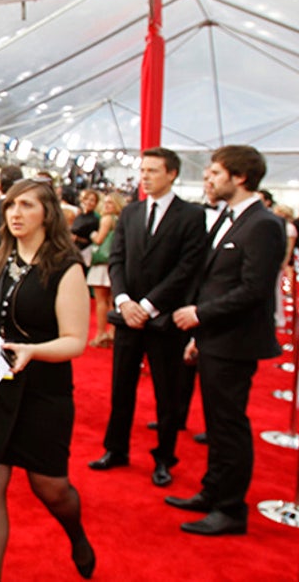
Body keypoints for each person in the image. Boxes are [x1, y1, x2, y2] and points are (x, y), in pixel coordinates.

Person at [0, 178, 94, 581]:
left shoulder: (66, 267)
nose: (15, 213)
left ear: (47, 214)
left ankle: (76, 535)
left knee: (50, 488)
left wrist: (33, 350)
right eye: (10, 205)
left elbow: (76, 341)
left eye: (26, 205)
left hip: (45, 390)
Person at [169, 145, 286, 535]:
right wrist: (201, 334)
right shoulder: (232, 218)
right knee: (217, 424)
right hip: (217, 338)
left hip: (236, 341)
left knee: (228, 425)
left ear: (240, 177)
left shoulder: (263, 224)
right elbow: (215, 278)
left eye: (216, 172)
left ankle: (231, 508)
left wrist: (200, 314)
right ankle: (212, 491)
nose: (209, 178)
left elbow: (254, 288)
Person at [89, 147, 206, 489]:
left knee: (166, 394)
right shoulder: (131, 213)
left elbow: (188, 268)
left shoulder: (191, 215)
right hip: (128, 317)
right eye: (143, 170)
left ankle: (165, 458)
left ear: (171, 174)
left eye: (153, 170)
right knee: (120, 388)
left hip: (165, 320)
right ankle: (115, 449)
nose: (145, 176)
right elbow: (117, 260)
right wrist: (125, 302)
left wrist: (150, 305)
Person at [87, 192, 125, 348]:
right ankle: (112, 332)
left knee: (101, 301)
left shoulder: (106, 219)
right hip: (114, 263)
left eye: (110, 203)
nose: (107, 205)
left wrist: (92, 234)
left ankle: (101, 333)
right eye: (106, 202)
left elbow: (99, 239)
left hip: (102, 263)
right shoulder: (121, 219)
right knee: (112, 300)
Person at [71, 189, 101, 264]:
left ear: (96, 203)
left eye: (92, 200)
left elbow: (90, 240)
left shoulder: (94, 220)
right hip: (72, 250)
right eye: (86, 199)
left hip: (84, 253)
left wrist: (77, 238)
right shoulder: (79, 215)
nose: (88, 202)